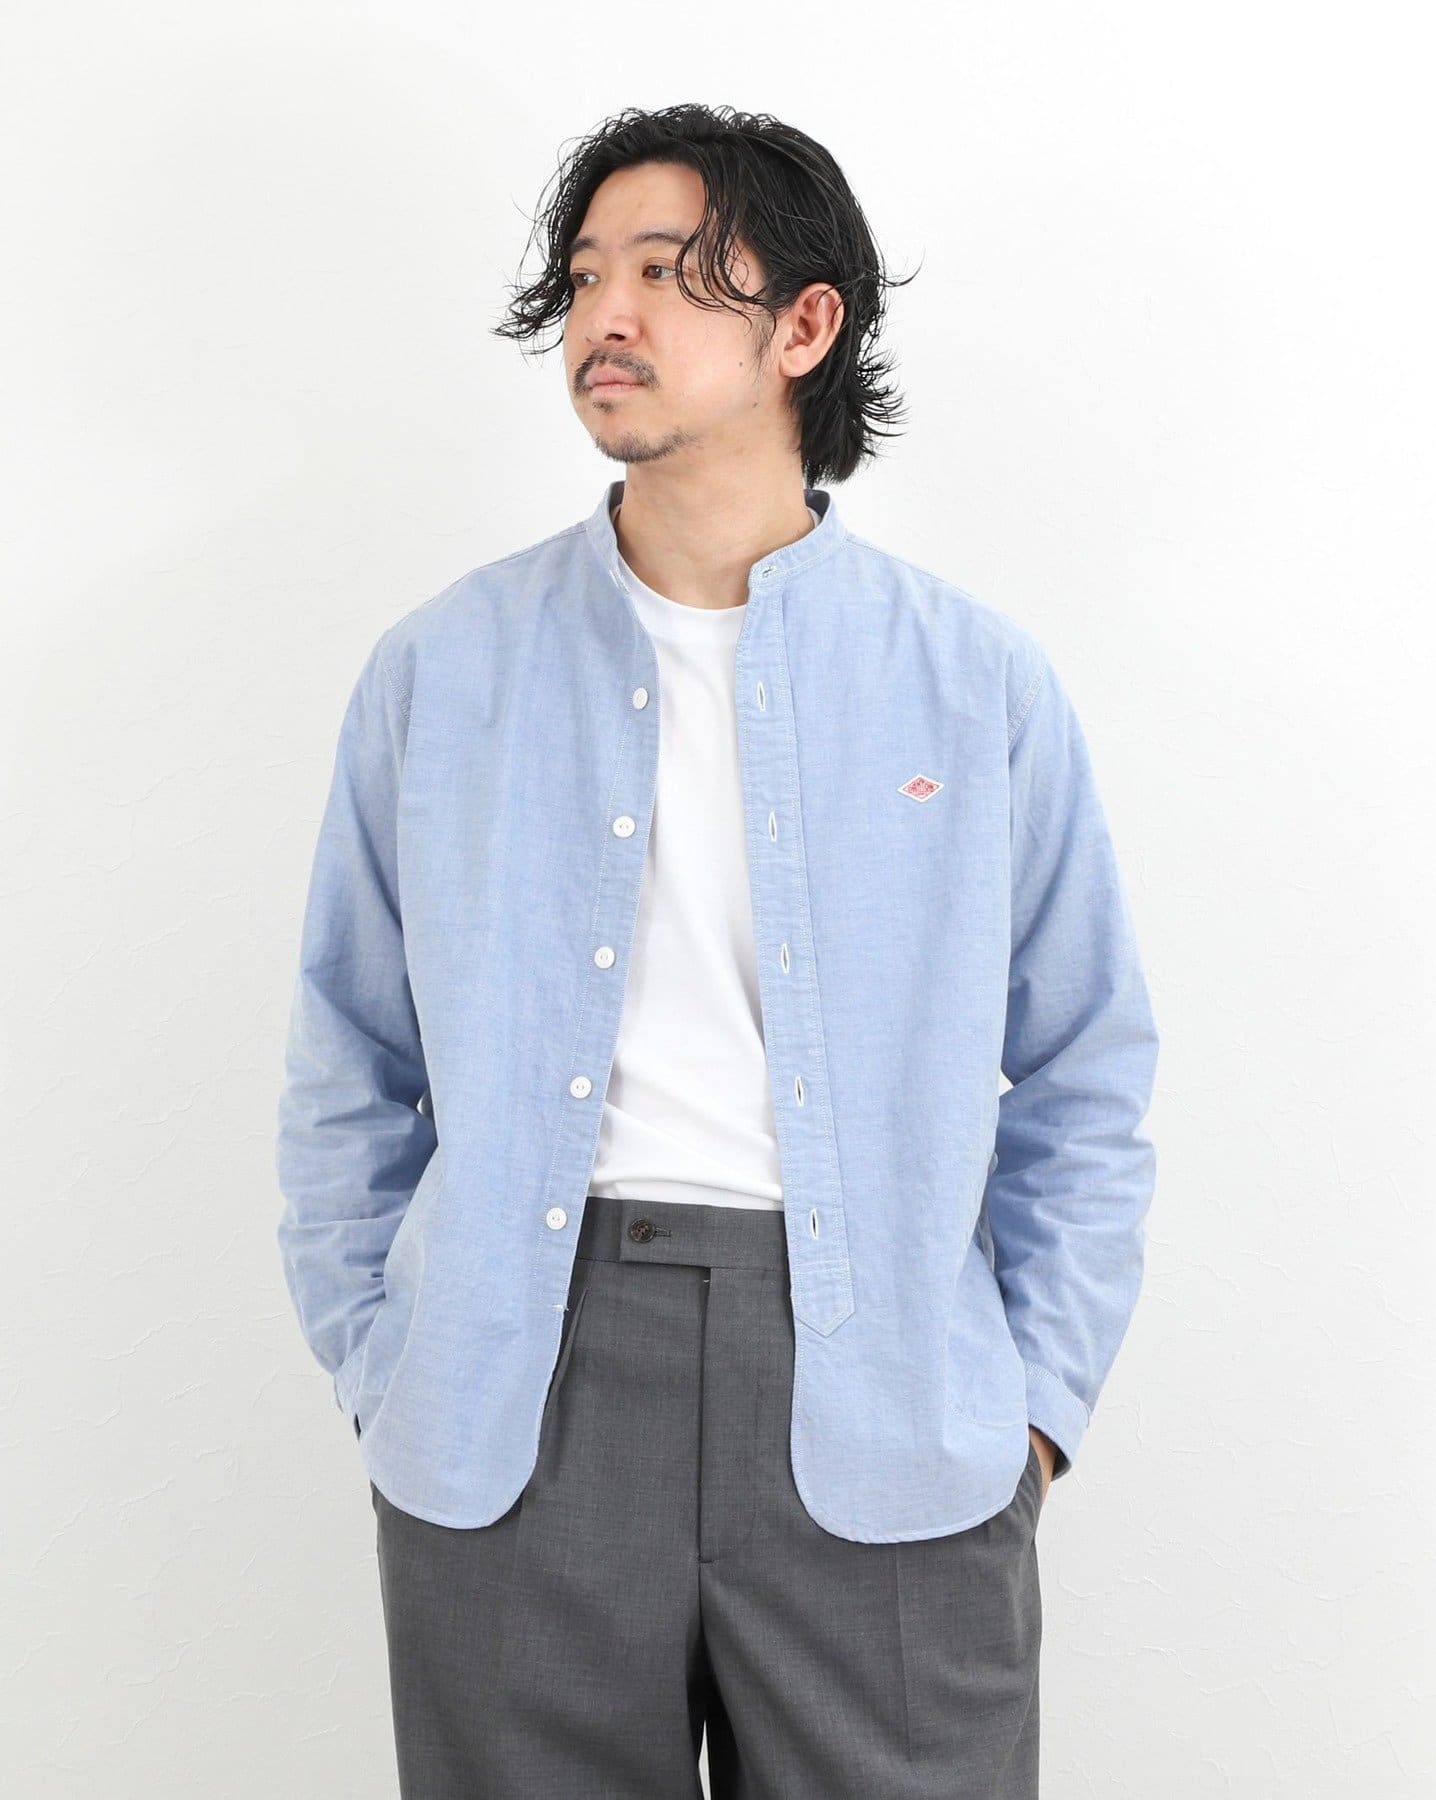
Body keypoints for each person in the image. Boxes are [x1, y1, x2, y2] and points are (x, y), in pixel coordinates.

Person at [275, 101, 1159, 1799]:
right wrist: (387, 1365)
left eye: (670, 274)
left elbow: (1084, 1064)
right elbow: (348, 1061)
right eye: (585, 277)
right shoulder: (441, 670)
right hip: (515, 1392)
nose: (606, 316)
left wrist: (1033, 1408)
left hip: (886, 1395)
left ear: (804, 326)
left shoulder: (972, 684)